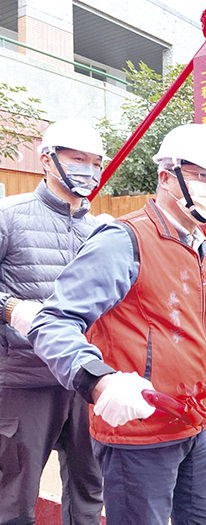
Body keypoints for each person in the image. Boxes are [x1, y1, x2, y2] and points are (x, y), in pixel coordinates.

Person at [28, 124, 206, 525]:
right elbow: (54, 321)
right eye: (201, 176)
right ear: (166, 176)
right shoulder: (124, 240)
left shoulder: (199, 250)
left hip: (195, 426)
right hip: (139, 435)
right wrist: (100, 379)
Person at [0, 118, 105, 525]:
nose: (89, 170)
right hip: (25, 380)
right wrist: (12, 308)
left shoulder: (102, 231)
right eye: (77, 159)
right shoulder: (10, 216)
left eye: (95, 162)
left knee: (89, 490)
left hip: (87, 379)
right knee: (14, 496)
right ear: (47, 160)